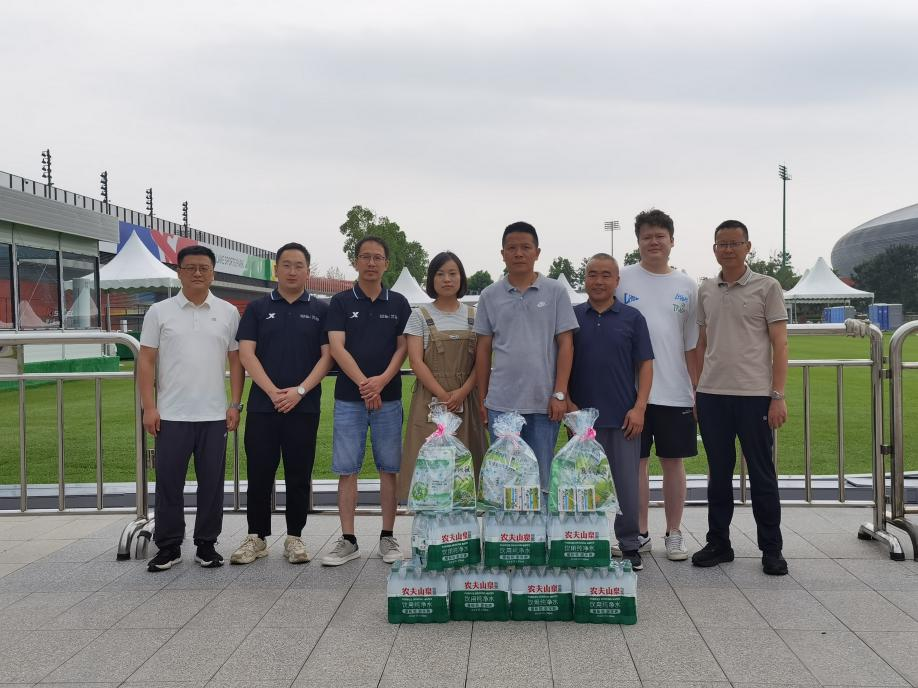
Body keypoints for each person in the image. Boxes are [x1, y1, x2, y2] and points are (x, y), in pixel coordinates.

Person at [692, 220, 790, 576]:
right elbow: (701, 344)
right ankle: (719, 542)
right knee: (718, 475)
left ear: (748, 247)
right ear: (714, 248)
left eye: (735, 243)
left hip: (754, 397)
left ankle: (771, 549)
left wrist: (777, 395)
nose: (728, 249)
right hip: (712, 396)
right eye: (722, 243)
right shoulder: (705, 289)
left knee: (762, 475)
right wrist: (697, 391)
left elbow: (780, 343)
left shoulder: (768, 286)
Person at [138, 245, 243, 572]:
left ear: (213, 273)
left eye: (204, 268)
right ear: (179, 272)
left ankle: (206, 545)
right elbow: (146, 360)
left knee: (212, 485)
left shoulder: (228, 312)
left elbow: (236, 361)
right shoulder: (159, 312)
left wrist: (235, 404)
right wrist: (149, 407)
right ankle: (168, 546)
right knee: (168, 484)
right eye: (190, 267)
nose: (197, 273)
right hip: (171, 415)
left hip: (214, 415)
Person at [230, 243, 333, 565]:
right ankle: (256, 537)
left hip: (304, 406)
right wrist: (274, 392)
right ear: (276, 270)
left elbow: (328, 357)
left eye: (298, 265)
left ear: (308, 271)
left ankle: (295, 537)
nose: (292, 271)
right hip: (264, 406)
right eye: (286, 265)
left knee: (298, 474)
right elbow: (246, 353)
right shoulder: (258, 308)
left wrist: (299, 391)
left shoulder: (320, 310)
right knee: (260, 473)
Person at [321, 236, 411, 566]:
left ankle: (388, 537)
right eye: (365, 257)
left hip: (389, 399)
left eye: (377, 257)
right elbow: (336, 347)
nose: (371, 263)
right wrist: (365, 384)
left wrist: (381, 382)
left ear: (387, 263)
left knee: (389, 468)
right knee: (347, 470)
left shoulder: (399, 303)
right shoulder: (341, 302)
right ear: (356, 261)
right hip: (350, 399)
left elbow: (403, 347)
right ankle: (348, 540)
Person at [616, 208, 698, 561]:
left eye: (659, 236)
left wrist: (696, 391)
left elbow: (692, 344)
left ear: (672, 241)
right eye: (646, 237)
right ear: (637, 242)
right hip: (630, 393)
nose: (653, 242)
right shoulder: (622, 279)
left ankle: (674, 532)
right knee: (636, 464)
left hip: (675, 390)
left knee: (673, 462)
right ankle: (639, 532)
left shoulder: (687, 285)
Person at [474, 221, 578, 491]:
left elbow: (566, 344)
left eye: (525, 247)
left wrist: (559, 394)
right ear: (502, 254)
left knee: (541, 477)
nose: (518, 253)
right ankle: (506, 522)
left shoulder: (555, 292)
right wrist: (483, 398)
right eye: (512, 248)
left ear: (537, 252)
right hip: (501, 405)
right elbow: (483, 349)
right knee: (504, 480)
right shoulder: (489, 295)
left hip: (544, 404)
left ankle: (540, 521)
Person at [569, 254, 654, 570]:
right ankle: (586, 543)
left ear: (617, 280)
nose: (599, 281)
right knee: (581, 486)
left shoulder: (633, 318)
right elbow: (560, 362)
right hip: (581, 421)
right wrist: (569, 408)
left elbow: (645, 365)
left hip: (622, 418)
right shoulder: (572, 317)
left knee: (626, 487)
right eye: (592, 274)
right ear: (585, 279)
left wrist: (640, 408)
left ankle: (629, 545)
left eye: (606, 275)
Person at [401, 252, 487, 502]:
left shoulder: (475, 315)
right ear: (431, 279)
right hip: (431, 401)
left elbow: (482, 361)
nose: (447, 279)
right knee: (431, 467)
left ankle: (465, 523)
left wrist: (462, 392)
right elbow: (416, 361)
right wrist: (443, 396)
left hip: (466, 400)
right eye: (440, 274)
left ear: (461, 278)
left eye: (452, 273)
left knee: (467, 466)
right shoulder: (419, 315)